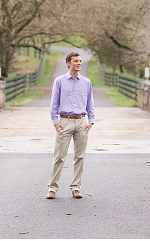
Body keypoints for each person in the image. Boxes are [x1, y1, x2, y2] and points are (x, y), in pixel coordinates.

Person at [46, 51, 95, 199]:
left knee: (79, 157)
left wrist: (91, 121)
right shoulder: (59, 81)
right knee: (59, 157)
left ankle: (76, 188)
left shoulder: (86, 82)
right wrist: (55, 123)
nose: (79, 63)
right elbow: (54, 103)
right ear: (68, 63)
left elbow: (90, 102)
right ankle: (52, 189)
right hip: (64, 122)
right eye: (76, 61)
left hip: (81, 122)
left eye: (80, 61)